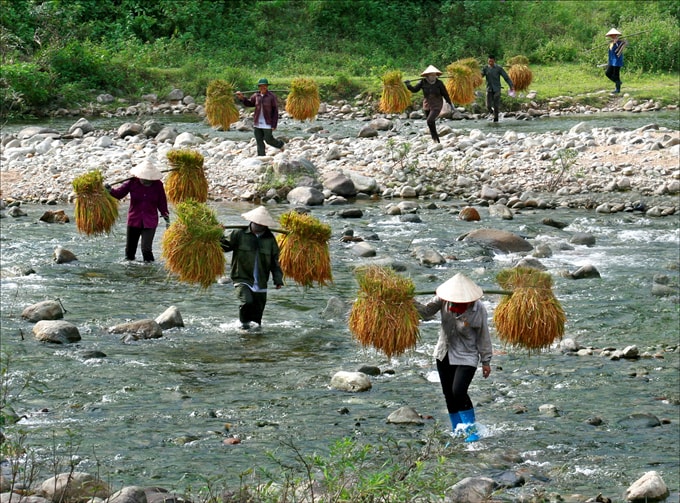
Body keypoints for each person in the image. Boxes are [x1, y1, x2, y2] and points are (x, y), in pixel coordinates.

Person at [416, 273, 492, 442]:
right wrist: (408, 300)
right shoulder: (443, 299)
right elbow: (426, 313)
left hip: (467, 355)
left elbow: (483, 336)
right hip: (444, 353)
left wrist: (486, 361)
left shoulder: (478, 309)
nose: (454, 305)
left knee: (459, 391)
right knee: (448, 394)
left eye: (459, 303)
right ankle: (457, 429)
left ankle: (471, 431)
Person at [220, 206, 284, 331]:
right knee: (247, 302)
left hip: (261, 280)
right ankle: (243, 326)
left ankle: (256, 337)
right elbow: (223, 246)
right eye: (257, 223)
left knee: (258, 313)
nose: (259, 225)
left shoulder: (270, 240)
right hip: (242, 277)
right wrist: (218, 233)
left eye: (262, 224)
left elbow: (275, 262)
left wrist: (278, 280)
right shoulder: (239, 234)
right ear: (252, 222)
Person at [106, 160, 169, 262]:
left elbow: (162, 203)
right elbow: (119, 194)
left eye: (148, 179)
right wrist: (109, 190)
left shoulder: (158, 185)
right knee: (130, 251)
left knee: (146, 250)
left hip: (150, 221)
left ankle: (149, 272)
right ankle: (130, 272)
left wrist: (166, 218)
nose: (145, 181)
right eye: (143, 178)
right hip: (134, 220)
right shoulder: (132, 182)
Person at [236, 78, 285, 156]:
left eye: (264, 86)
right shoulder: (256, 95)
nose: (263, 87)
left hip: (267, 122)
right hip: (257, 122)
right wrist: (242, 98)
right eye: (261, 86)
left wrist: (274, 124)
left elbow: (275, 111)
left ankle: (280, 145)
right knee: (259, 141)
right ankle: (261, 157)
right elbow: (249, 104)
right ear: (259, 87)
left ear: (267, 86)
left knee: (268, 139)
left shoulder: (271, 96)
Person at [405, 65, 453, 143]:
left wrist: (450, 103)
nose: (433, 77)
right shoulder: (422, 82)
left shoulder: (439, 83)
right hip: (427, 104)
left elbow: (445, 94)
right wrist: (408, 85)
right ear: (427, 75)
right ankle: (435, 139)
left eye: (434, 75)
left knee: (429, 120)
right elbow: (415, 90)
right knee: (431, 123)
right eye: (431, 75)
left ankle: (435, 139)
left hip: (437, 104)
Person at [481, 55, 514, 122]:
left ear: (494, 61)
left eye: (492, 61)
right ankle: (492, 113)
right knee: (488, 106)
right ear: (488, 61)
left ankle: (496, 120)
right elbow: (480, 76)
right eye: (489, 61)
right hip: (489, 89)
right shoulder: (485, 68)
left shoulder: (499, 68)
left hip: (497, 89)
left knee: (496, 106)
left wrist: (511, 86)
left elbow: (506, 77)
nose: (490, 62)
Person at [605, 28, 628, 94]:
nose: (613, 36)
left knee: (616, 75)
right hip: (611, 61)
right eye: (611, 35)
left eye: (614, 35)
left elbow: (616, 51)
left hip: (617, 61)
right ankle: (618, 82)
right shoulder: (611, 43)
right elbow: (610, 53)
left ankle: (617, 89)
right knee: (607, 73)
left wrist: (616, 43)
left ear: (617, 35)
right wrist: (613, 43)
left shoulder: (620, 42)